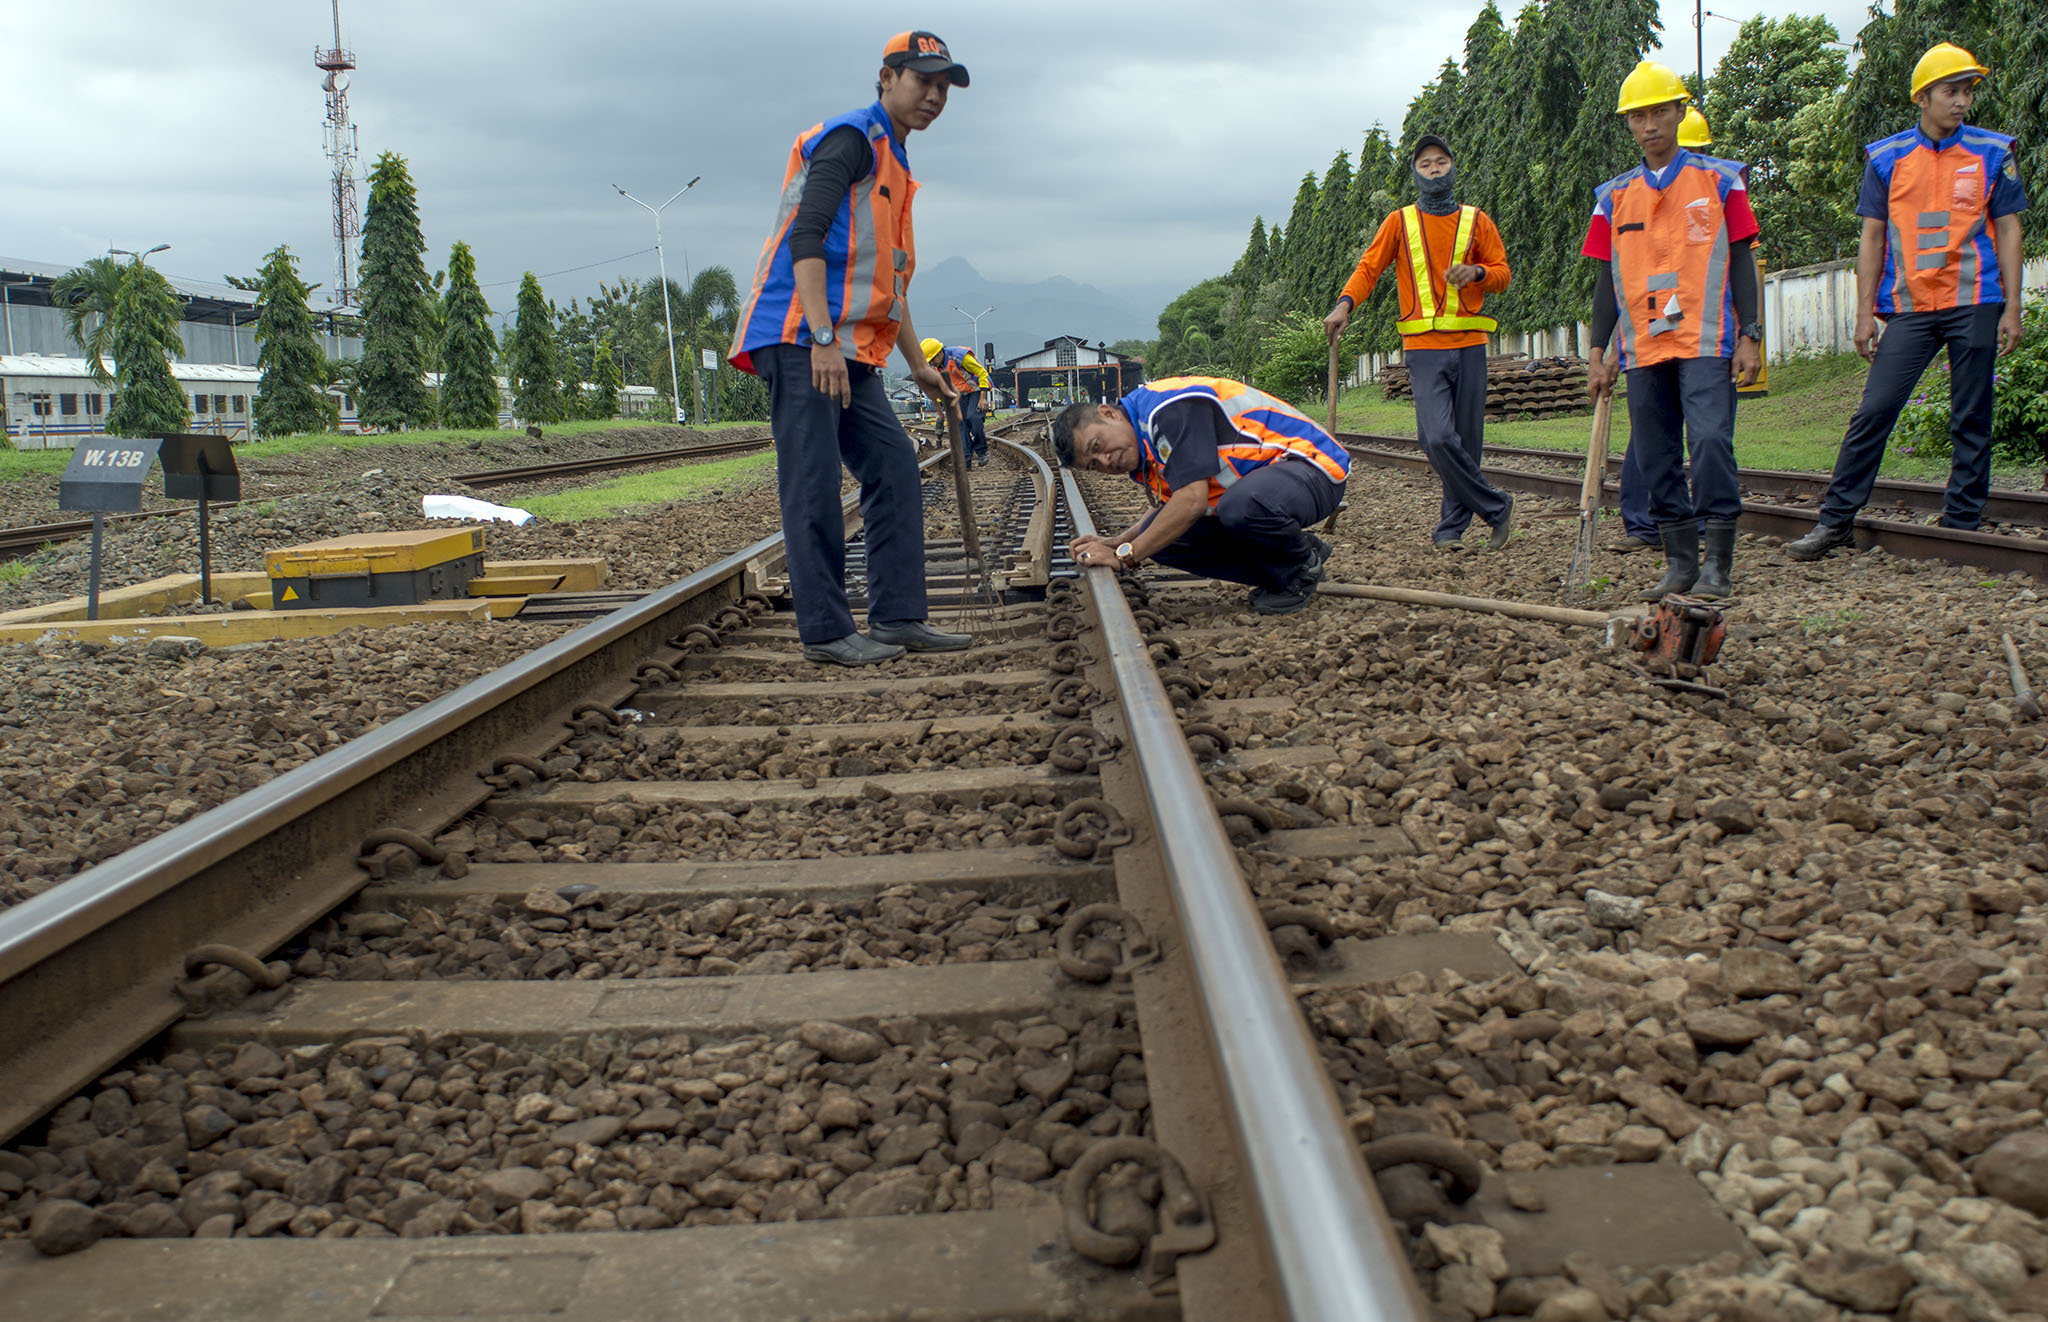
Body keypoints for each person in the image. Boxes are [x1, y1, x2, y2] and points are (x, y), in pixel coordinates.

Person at [728, 31, 973, 666]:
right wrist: (821, 337)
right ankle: (826, 631)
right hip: (800, 336)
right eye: (923, 80)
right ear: (887, 78)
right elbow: (806, 237)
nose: (935, 95)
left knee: (893, 465)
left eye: (944, 86)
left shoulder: (895, 163)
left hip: (846, 347)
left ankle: (896, 618)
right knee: (811, 481)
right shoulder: (851, 140)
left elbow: (889, 281)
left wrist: (918, 365)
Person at [1785, 42, 2030, 559]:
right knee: (1874, 411)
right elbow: (1871, 239)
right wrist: (1862, 315)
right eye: (1950, 91)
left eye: (1966, 91)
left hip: (1976, 300)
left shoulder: (1993, 152)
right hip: (1912, 308)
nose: (1961, 101)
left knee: (1971, 414)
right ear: (1923, 97)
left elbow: (2009, 230)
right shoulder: (1887, 158)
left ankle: (1961, 522)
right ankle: (1835, 522)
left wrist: (2012, 306)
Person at [1584, 61, 1762, 600]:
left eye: (1660, 111)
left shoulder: (1720, 180)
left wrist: (1750, 333)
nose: (1650, 125)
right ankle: (1681, 562)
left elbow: (1740, 258)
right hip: (1643, 347)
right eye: (1638, 117)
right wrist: (1597, 349)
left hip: (1707, 340)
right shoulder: (1613, 197)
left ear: (1680, 112)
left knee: (1709, 442)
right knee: (1654, 457)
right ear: (1629, 125)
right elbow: (1604, 279)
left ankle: (1719, 566)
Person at [1325, 133, 1515, 552]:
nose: (1434, 170)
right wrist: (1344, 305)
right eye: (1426, 163)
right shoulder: (1400, 221)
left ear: (1452, 168)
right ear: (1415, 171)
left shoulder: (1476, 220)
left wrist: (1478, 274)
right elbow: (1369, 267)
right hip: (1423, 348)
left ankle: (1450, 530)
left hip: (1470, 344)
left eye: (1441, 162)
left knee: (1466, 441)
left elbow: (1502, 273)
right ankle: (1497, 507)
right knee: (1437, 439)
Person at [1053, 376, 1349, 615]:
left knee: (1241, 506)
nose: (1105, 461)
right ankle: (1287, 563)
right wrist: (1121, 541)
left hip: (1315, 469)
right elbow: (1171, 507)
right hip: (1271, 484)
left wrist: (1126, 557)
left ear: (1108, 414)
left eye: (1097, 445)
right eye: (1094, 465)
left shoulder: (1167, 410)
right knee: (1162, 540)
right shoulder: (1143, 435)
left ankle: (1299, 571)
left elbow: (1192, 501)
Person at [1612, 105, 1719, 554]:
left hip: (1688, 323)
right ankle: (1643, 520)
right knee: (1653, 431)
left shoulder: (1706, 189)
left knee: (1674, 430)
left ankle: (1663, 521)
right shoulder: (1644, 194)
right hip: (1659, 322)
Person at [922, 338, 993, 464]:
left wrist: (983, 398)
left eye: (933, 359)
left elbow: (982, 373)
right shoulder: (935, 368)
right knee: (960, 425)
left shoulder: (959, 357)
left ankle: (981, 452)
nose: (932, 363)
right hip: (959, 395)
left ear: (940, 353)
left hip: (976, 389)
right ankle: (965, 461)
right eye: (929, 361)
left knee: (974, 418)